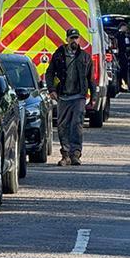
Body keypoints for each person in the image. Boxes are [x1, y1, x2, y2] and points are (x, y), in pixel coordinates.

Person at [46, 28, 96, 166]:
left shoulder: (85, 57)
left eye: (76, 38)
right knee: (63, 126)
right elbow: (49, 73)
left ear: (79, 39)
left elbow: (91, 78)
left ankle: (76, 154)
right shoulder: (59, 55)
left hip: (79, 96)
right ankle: (65, 155)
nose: (74, 40)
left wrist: (93, 97)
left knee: (77, 125)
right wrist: (51, 90)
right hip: (63, 96)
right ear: (67, 39)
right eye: (71, 38)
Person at [115, 22, 130, 91]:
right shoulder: (119, 35)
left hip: (123, 55)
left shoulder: (125, 35)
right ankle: (121, 87)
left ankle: (123, 87)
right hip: (120, 56)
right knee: (121, 72)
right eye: (125, 27)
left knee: (124, 72)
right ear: (121, 27)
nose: (126, 28)